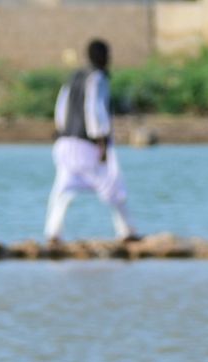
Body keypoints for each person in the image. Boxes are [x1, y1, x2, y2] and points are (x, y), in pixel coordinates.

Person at [45, 39, 138, 246]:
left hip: (65, 143)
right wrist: (102, 141)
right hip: (87, 144)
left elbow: (61, 107)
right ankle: (127, 232)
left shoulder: (74, 77)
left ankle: (53, 233)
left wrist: (61, 130)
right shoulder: (97, 78)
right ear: (102, 56)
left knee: (63, 189)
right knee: (113, 183)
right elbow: (94, 109)